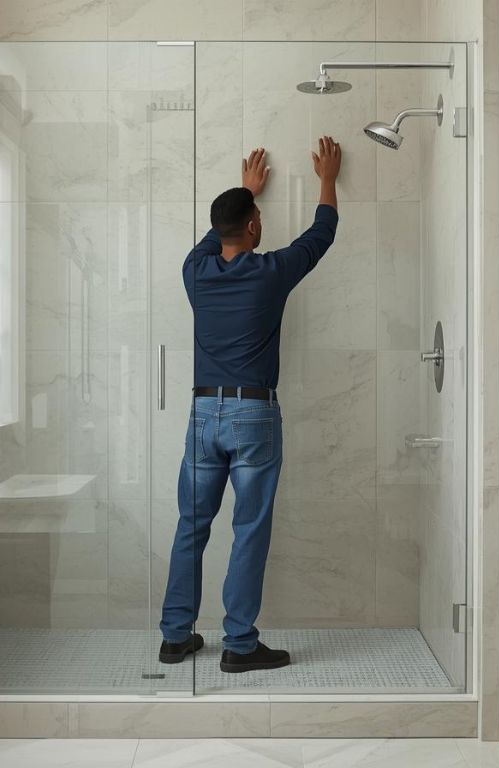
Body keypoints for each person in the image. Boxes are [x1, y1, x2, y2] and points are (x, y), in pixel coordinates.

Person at [157, 137, 342, 673]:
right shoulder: (270, 273)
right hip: (253, 414)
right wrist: (327, 178)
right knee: (248, 529)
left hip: (202, 415)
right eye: (256, 215)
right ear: (256, 227)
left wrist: (245, 193)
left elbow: (210, 241)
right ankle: (238, 645)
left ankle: (175, 636)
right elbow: (321, 234)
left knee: (191, 525)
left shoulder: (196, 274)